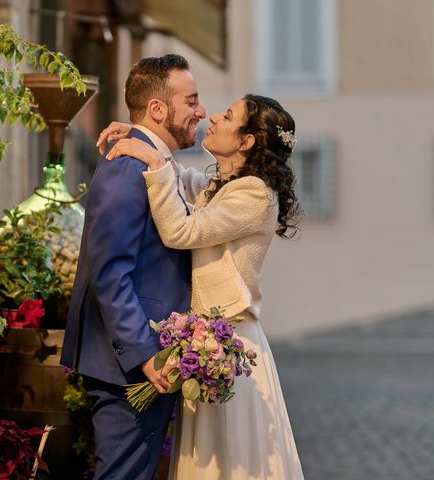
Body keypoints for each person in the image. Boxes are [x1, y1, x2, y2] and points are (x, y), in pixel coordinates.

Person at [101, 94, 305, 479]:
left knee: (229, 464)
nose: (213, 116)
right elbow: (182, 181)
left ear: (246, 141)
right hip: (210, 345)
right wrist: (144, 138)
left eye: (228, 116)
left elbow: (182, 229)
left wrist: (156, 162)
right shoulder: (227, 185)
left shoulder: (255, 195)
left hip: (231, 350)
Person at [60, 54, 206, 480]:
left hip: (143, 360)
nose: (201, 111)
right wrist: (145, 355)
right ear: (157, 109)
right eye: (192, 100)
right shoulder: (127, 169)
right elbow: (109, 272)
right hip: (129, 365)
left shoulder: (152, 162)